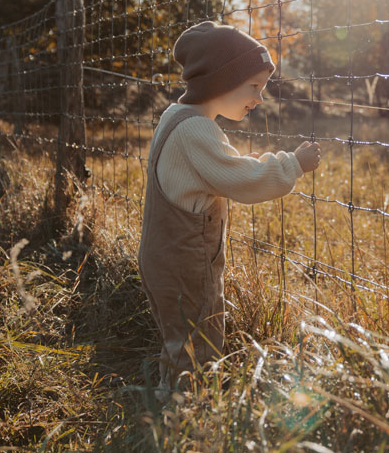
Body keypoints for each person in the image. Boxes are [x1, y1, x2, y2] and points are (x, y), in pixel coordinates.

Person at [138, 20, 321, 391]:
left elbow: (216, 167)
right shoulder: (197, 130)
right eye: (253, 86)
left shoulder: (176, 117)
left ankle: (168, 398)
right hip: (186, 262)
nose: (259, 97)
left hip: (162, 256)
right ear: (220, 81)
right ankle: (190, 417)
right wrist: (292, 164)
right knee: (200, 341)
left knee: (179, 340)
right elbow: (242, 179)